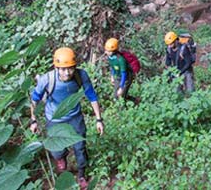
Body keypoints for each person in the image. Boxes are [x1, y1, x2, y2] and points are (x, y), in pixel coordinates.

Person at [29, 47, 103, 189]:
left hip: (75, 116)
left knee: (80, 147)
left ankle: (81, 174)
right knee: (56, 150)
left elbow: (92, 96)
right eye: (63, 69)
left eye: (70, 68)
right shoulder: (47, 79)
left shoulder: (80, 76)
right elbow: (34, 100)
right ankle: (61, 156)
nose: (67, 73)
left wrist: (99, 119)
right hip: (54, 118)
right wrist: (33, 120)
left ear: (75, 67)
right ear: (56, 67)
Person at [103, 38, 139, 104]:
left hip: (126, 78)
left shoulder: (121, 60)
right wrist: (112, 76)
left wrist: (121, 87)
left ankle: (126, 109)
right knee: (116, 96)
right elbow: (112, 67)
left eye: (108, 51)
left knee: (121, 96)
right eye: (106, 50)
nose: (106, 52)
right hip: (118, 76)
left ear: (113, 51)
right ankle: (135, 100)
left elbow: (124, 74)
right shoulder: (110, 57)